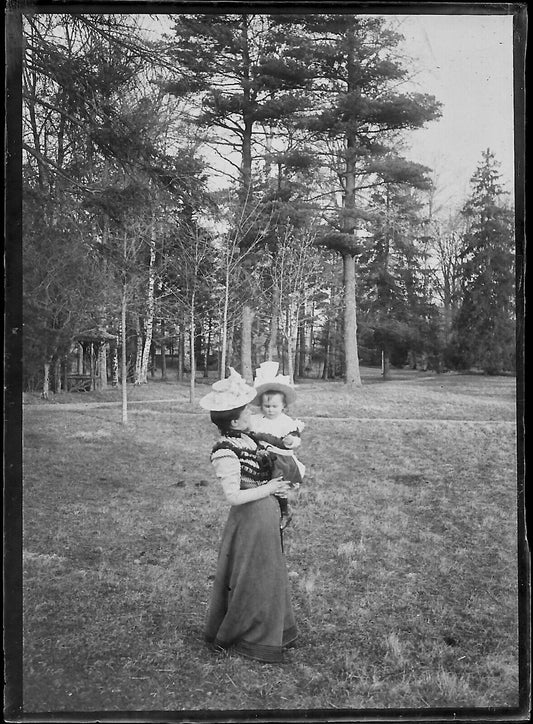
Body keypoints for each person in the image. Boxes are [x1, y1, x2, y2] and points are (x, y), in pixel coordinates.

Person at [199, 367, 298, 663]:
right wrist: (268, 487)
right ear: (233, 420)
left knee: (269, 575)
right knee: (253, 578)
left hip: (265, 517)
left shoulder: (251, 438)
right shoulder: (225, 451)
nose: (250, 413)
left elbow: (285, 452)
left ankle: (271, 630)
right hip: (249, 520)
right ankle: (247, 634)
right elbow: (233, 496)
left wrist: (284, 492)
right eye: (244, 411)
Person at [249, 362, 306, 531]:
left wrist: (291, 441)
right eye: (267, 406)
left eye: (275, 406)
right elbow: (251, 435)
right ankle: (259, 508)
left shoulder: (286, 422)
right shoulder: (256, 420)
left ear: (283, 406)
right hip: (261, 457)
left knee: (278, 486)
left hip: (280, 460)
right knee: (258, 483)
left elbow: (296, 439)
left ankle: (284, 510)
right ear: (260, 405)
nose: (270, 410)